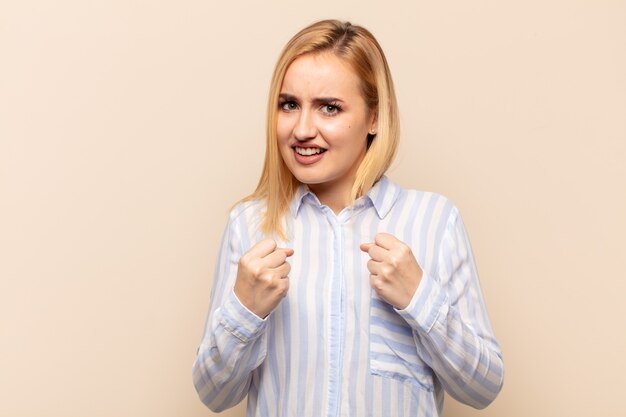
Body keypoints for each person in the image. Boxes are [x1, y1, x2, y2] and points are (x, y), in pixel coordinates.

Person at [192, 19, 504, 417]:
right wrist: (245, 310)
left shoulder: (435, 221)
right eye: (289, 105)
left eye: (329, 108)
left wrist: (420, 299)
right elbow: (213, 396)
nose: (303, 129)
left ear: (374, 118)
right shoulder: (249, 225)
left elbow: (483, 389)